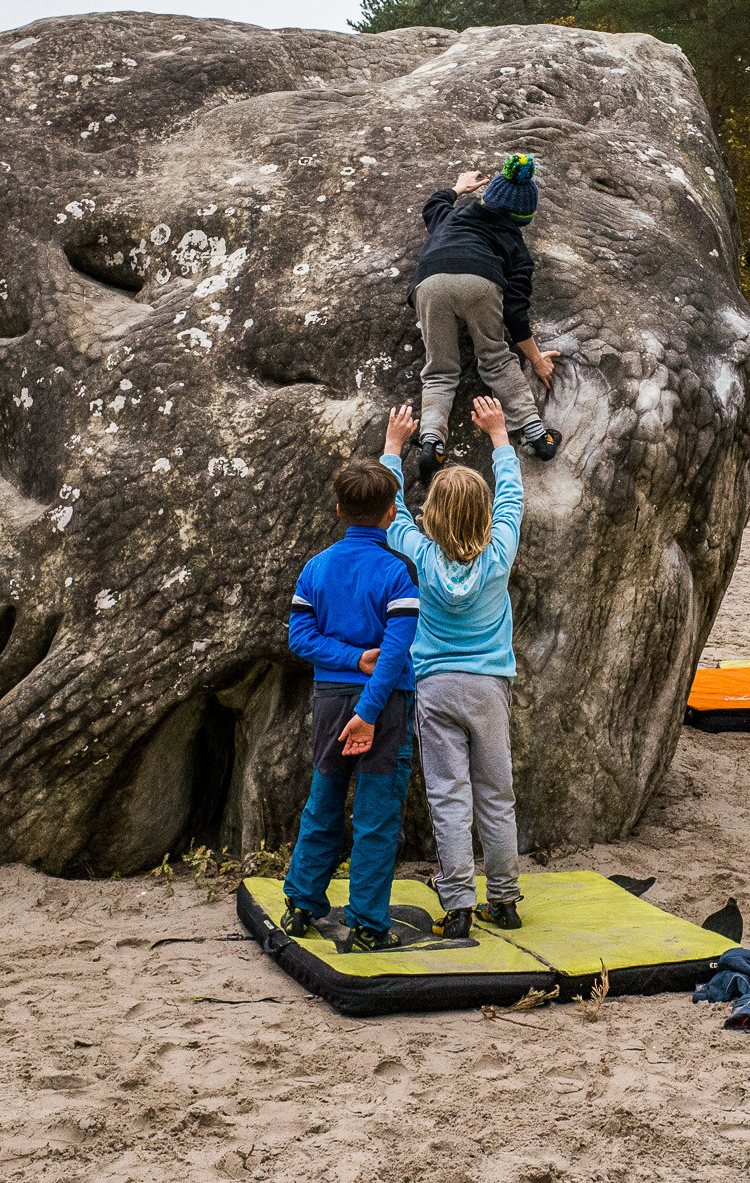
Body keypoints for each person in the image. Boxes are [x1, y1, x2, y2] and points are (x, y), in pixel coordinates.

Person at [381, 398, 523, 939]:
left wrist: (394, 447)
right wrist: (500, 436)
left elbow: (390, 511)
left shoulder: (421, 553)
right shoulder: (498, 553)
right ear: (485, 515)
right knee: (496, 792)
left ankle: (459, 904)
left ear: (432, 515)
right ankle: (505, 899)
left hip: (436, 686)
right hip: (489, 687)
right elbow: (512, 497)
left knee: (448, 794)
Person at [280, 457, 419, 952]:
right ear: (392, 512)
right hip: (384, 707)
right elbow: (396, 652)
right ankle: (365, 924)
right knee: (377, 815)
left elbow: (300, 636)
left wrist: (347, 658)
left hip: (330, 702)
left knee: (323, 802)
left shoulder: (315, 568)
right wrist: (369, 711)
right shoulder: (398, 571)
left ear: (338, 509)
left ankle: (300, 905)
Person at [409, 152, 562, 482]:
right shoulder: (516, 247)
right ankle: (538, 436)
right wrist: (535, 359)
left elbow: (433, 207)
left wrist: (457, 188)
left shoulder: (454, 218)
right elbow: (515, 312)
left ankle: (432, 442)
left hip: (430, 281)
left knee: (439, 370)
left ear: (488, 197)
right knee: (495, 358)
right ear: (524, 218)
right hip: (481, 281)